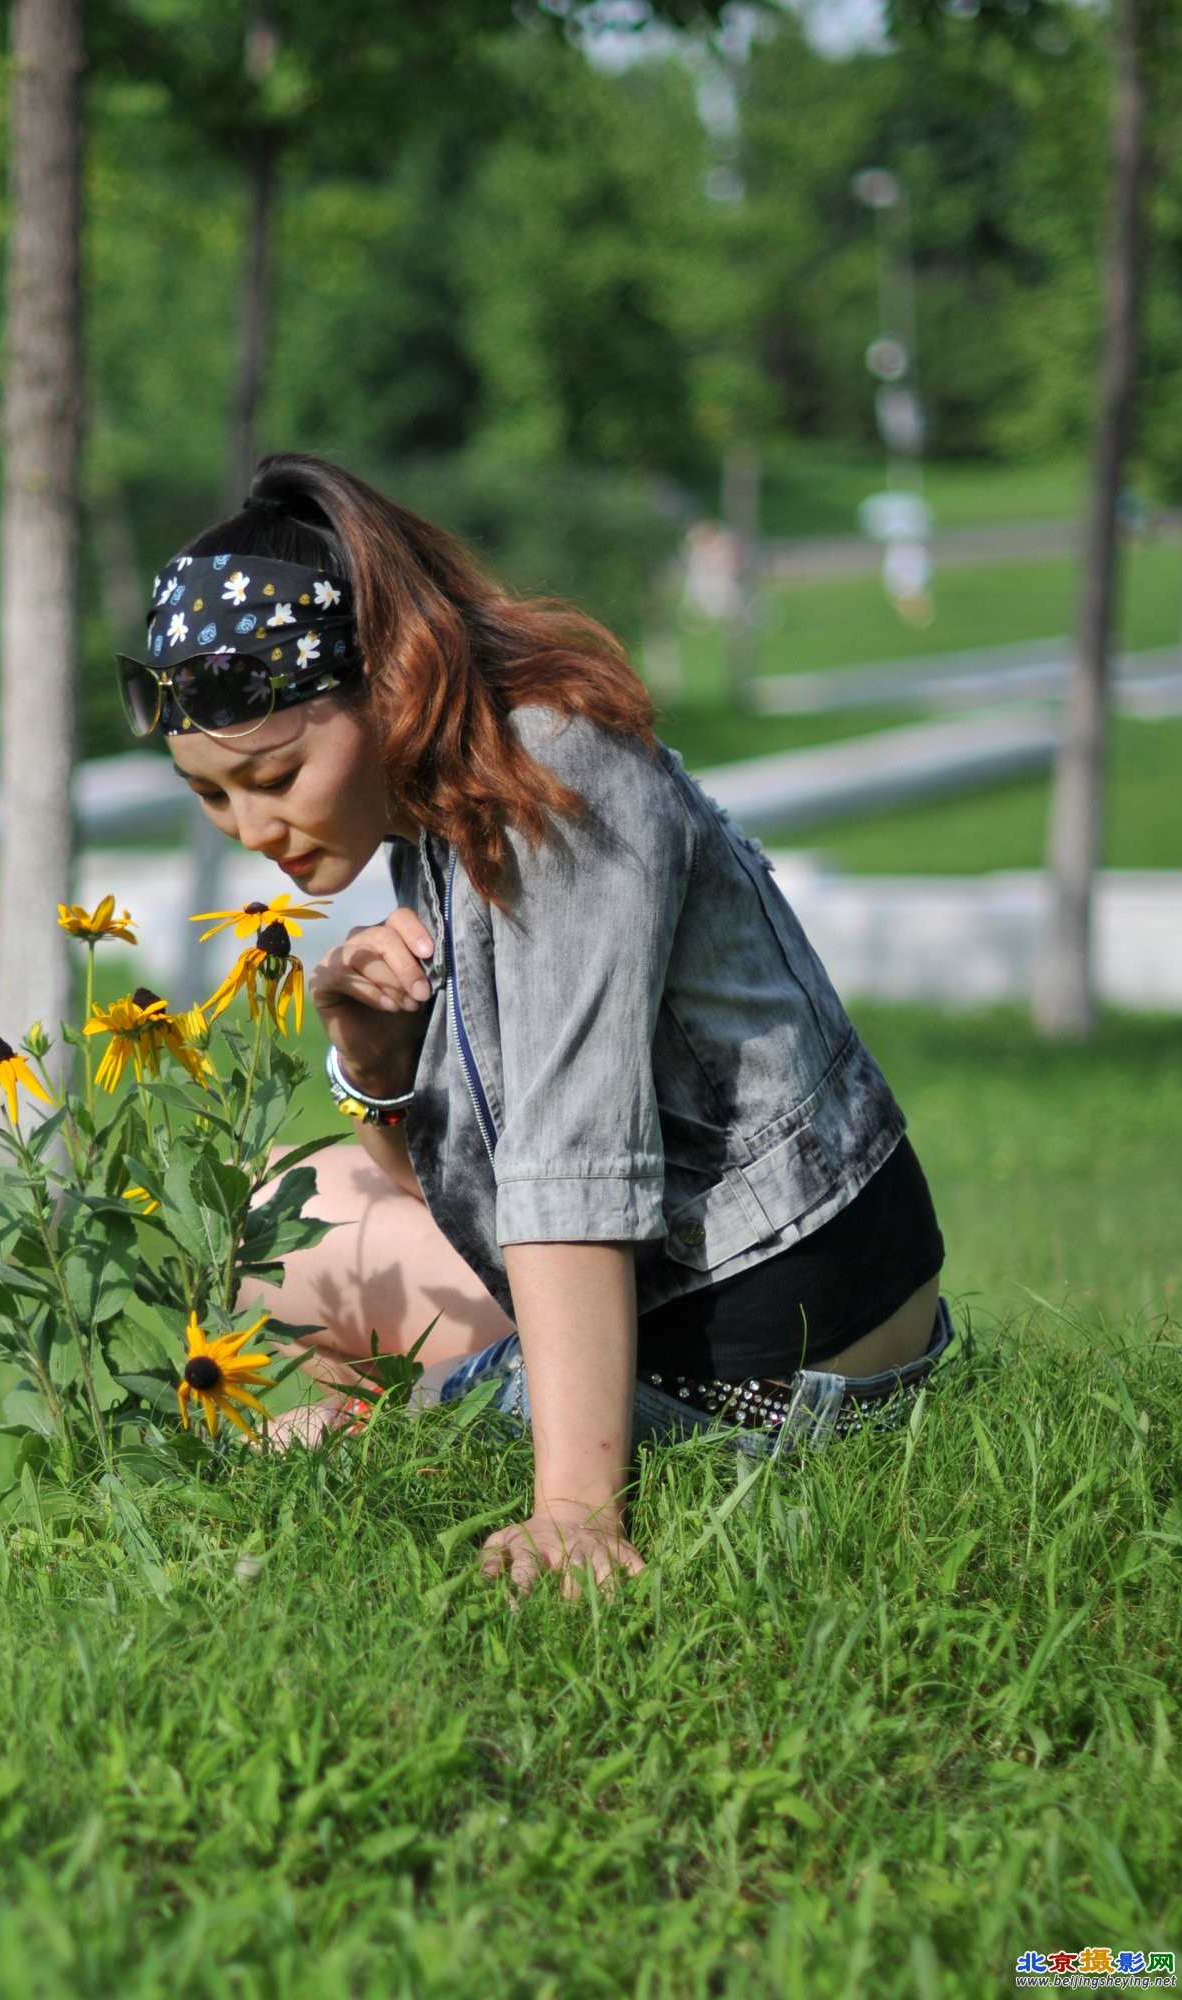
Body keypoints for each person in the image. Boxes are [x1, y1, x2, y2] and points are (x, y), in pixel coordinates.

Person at [118, 452, 950, 1596]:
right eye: (212, 793)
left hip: (778, 1361)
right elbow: (452, 1181)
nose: (251, 825)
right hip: (750, 1307)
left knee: (261, 1446)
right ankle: (434, 1398)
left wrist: (573, 1512)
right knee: (275, 1211)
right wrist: (376, 1060)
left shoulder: (554, 775)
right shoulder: (446, 806)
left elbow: (573, 1166)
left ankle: (466, 1421)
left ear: (384, 681)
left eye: (276, 772)